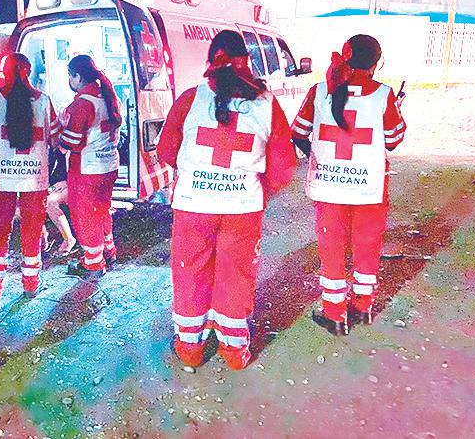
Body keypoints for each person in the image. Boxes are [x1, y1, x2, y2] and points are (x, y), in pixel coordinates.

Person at [157, 30, 296, 370]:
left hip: (193, 206)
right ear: (247, 61)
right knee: (236, 276)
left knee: (190, 274)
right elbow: (283, 166)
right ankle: (234, 352)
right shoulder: (266, 103)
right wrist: (257, 189)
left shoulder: (190, 99)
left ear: (210, 61)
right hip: (242, 210)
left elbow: (166, 150)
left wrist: (195, 174)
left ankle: (190, 349)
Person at [291, 34, 406, 336]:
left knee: (331, 249)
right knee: (367, 247)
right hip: (368, 188)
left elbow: (298, 132)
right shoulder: (383, 94)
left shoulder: (319, 91)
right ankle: (363, 308)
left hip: (328, 187)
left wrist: (317, 158)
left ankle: (335, 315)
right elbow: (393, 141)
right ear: (376, 63)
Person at [0, 53, 59, 309]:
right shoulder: (44, 101)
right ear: (28, 71)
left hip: (1, 178)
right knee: (32, 233)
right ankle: (31, 285)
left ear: (4, 72)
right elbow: (56, 139)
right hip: (35, 180)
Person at [59, 55, 122, 279]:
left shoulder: (82, 103)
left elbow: (70, 142)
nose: (70, 81)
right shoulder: (107, 96)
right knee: (102, 210)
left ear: (77, 76)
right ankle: (109, 251)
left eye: (70, 76)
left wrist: (60, 128)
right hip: (108, 165)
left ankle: (93, 263)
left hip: (86, 168)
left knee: (85, 215)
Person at [44, 146, 77, 255]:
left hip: (72, 184)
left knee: (50, 202)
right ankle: (42, 238)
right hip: (53, 186)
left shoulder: (70, 146)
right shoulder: (47, 147)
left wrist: (63, 183)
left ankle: (68, 239)